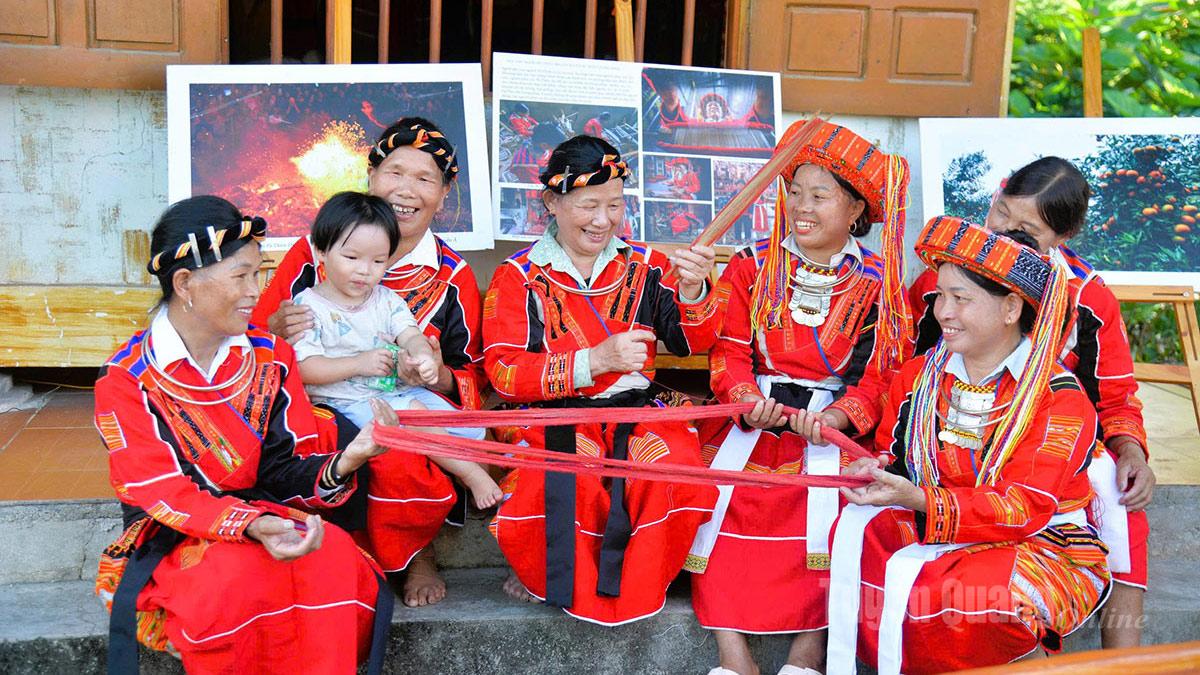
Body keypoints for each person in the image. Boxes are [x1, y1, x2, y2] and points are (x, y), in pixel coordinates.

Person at [93, 196, 394, 673]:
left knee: (332, 556)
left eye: (260, 273)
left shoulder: (272, 357)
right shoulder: (128, 379)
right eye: (242, 276)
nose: (258, 292)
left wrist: (348, 460)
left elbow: (282, 469)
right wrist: (248, 525)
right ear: (185, 283)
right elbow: (162, 493)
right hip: (174, 531)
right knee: (233, 576)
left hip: (264, 512)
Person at [827, 217, 1110, 674]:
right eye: (940, 295)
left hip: (1043, 542)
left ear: (1012, 308)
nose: (943, 311)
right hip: (932, 523)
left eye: (961, 298)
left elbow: (1023, 507)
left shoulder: (1059, 398)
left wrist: (918, 497)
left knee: (980, 597)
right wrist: (877, 472)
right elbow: (898, 459)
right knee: (860, 537)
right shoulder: (919, 377)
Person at [690, 120, 910, 675]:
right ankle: (732, 655)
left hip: (830, 429)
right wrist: (744, 399)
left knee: (843, 512)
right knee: (704, 499)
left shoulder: (880, 283)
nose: (801, 206)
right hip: (751, 416)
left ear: (857, 209)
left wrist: (836, 415)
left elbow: (881, 376)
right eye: (793, 191)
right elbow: (729, 348)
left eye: (820, 195)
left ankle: (807, 654)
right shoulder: (752, 264)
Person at [908, 157, 1154, 648]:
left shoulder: (1087, 297)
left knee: (1124, 505)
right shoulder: (945, 280)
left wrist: (1131, 451)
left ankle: (1123, 660)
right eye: (1002, 213)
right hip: (956, 433)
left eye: (1028, 228)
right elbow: (911, 374)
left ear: (1063, 237)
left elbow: (1116, 395)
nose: (1006, 231)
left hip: (1052, 448)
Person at [482, 135, 721, 625]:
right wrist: (593, 360)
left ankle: (642, 581)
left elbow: (692, 343)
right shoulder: (519, 276)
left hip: (637, 408)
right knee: (558, 475)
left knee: (674, 466)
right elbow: (503, 371)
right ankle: (551, 574)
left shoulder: (647, 266)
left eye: (614, 205)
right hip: (556, 412)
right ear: (551, 201)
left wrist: (694, 287)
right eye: (588, 204)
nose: (602, 220)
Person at [251, 116, 486, 607]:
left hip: (406, 399)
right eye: (395, 172)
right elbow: (255, 332)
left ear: (445, 195)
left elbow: (468, 375)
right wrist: (276, 327)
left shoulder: (451, 276)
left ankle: (416, 550)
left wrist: (430, 370)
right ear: (371, 176)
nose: (406, 189)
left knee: (433, 438)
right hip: (320, 396)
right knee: (338, 439)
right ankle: (344, 552)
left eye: (425, 179)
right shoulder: (313, 251)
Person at [292, 191, 501, 509]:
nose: (365, 271)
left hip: (395, 390)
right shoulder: (308, 305)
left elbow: (409, 333)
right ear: (321, 250)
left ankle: (474, 474)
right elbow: (306, 369)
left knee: (469, 425)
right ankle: (471, 477)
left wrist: (422, 356)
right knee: (415, 417)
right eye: (352, 258)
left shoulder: (385, 299)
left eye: (378, 261)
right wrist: (358, 363)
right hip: (348, 403)